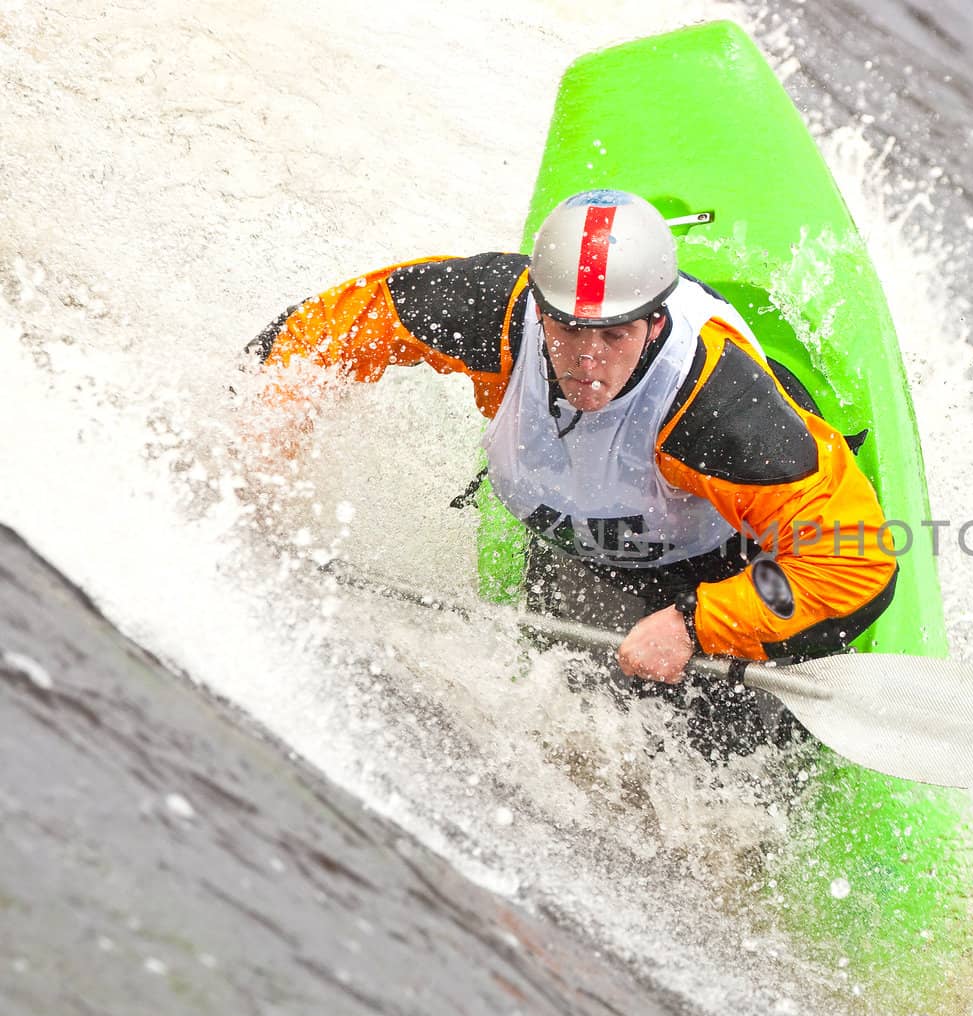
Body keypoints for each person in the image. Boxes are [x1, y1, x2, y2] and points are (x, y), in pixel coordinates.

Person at [247, 189, 899, 752]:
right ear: (540, 306)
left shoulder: (721, 414)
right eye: (567, 329)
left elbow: (858, 564)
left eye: (613, 335)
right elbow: (315, 334)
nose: (587, 359)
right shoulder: (489, 310)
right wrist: (254, 464)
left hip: (727, 561)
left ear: (653, 320)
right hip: (588, 542)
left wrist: (696, 624)